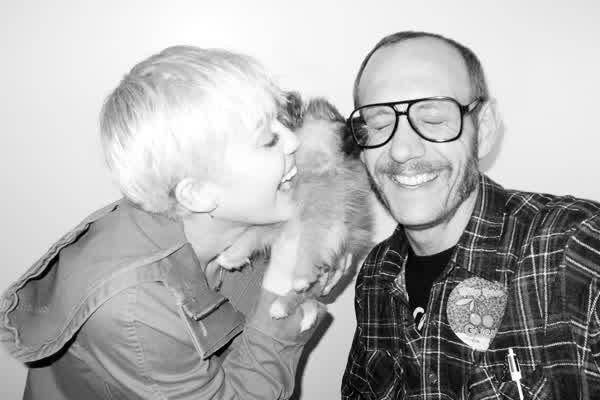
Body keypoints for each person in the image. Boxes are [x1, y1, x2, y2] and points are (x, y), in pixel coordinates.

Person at [0, 46, 340, 399]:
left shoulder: (227, 212)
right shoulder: (133, 310)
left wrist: (314, 249)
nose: (293, 140)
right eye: (268, 140)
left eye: (279, 123)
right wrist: (281, 288)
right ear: (198, 194)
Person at [341, 31, 600, 399]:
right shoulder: (375, 276)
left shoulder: (576, 252)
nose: (401, 150)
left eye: (433, 119)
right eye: (380, 125)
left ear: (486, 128)